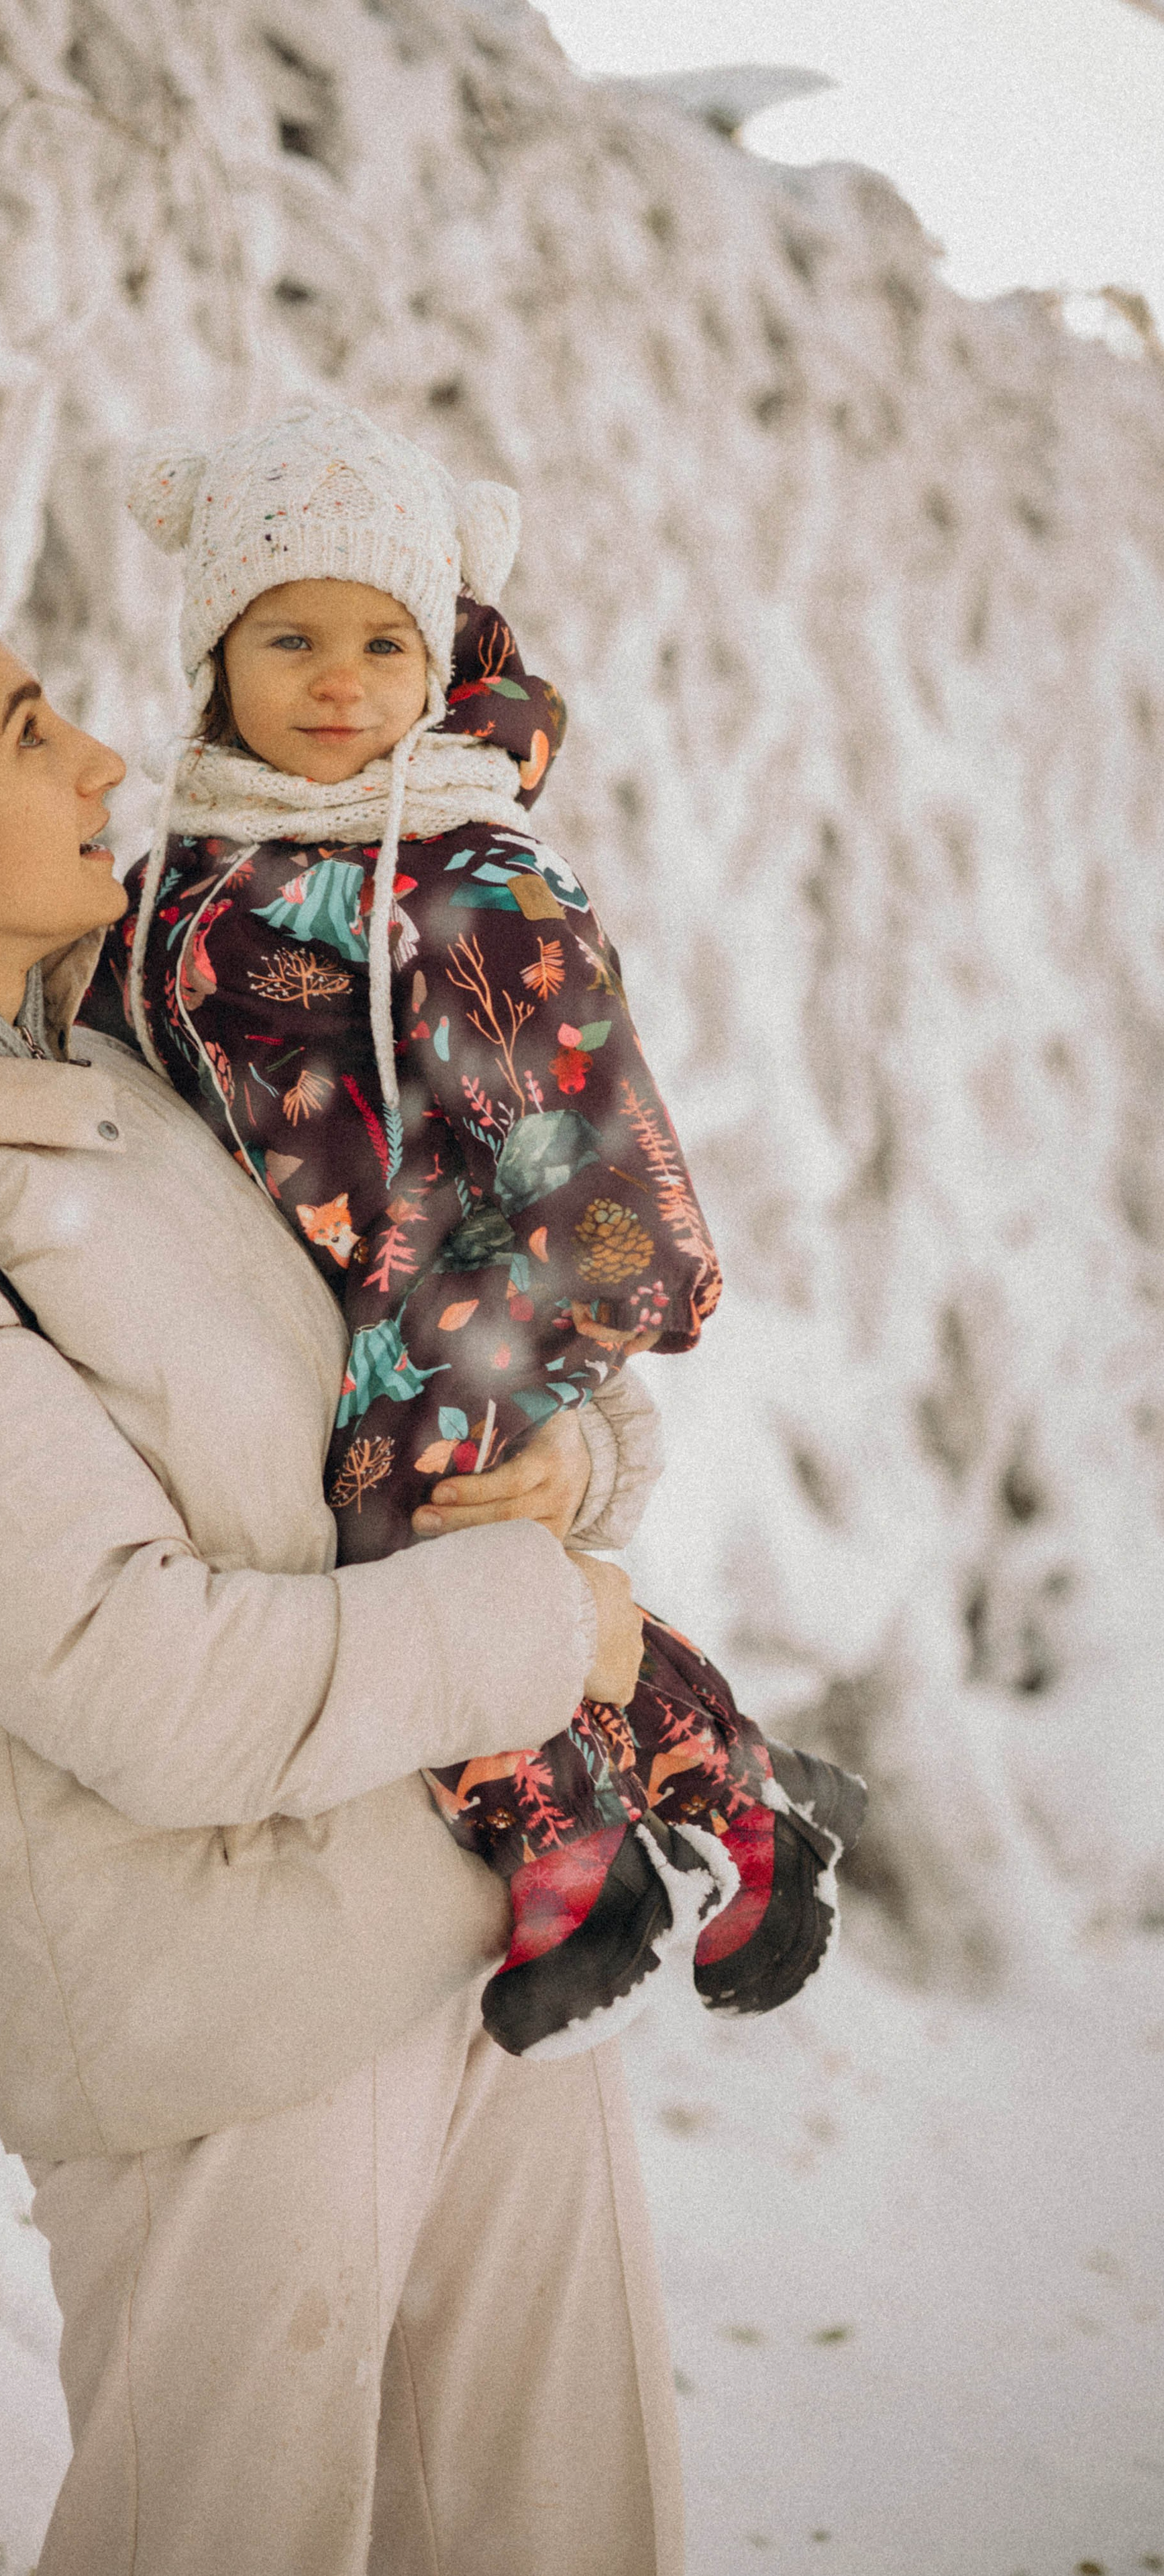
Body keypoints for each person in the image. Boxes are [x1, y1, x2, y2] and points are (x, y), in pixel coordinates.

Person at [0, 546, 687, 2575]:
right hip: (226, 2052)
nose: (105, 751)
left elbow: (398, 1369)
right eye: (26, 729)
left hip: (471, 1929)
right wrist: (543, 1624)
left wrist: (570, 1455)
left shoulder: (116, 1079)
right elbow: (154, 1691)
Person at [86, 403, 867, 2055]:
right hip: (373, 1296)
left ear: (439, 653)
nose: (340, 681)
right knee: (419, 1528)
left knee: (405, 1525)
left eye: (386, 640)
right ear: (210, 652)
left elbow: (576, 1136)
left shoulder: (461, 871)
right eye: (287, 636)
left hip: (530, 1257)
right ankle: (735, 1797)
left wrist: (537, 1349)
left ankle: (577, 1848)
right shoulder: (189, 870)